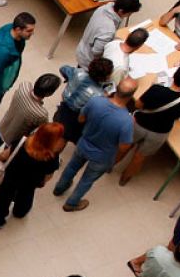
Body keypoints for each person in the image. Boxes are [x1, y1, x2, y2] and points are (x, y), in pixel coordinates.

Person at [52, 78, 138, 212]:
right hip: (102, 157)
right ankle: (72, 203)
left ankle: (59, 188)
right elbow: (124, 147)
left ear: (116, 89)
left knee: (72, 167)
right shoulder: (127, 121)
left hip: (84, 143)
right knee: (87, 180)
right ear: (131, 96)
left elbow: (81, 119)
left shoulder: (96, 101)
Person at [118, 64, 180, 185]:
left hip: (140, 124)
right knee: (139, 157)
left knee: (125, 146)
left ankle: (109, 166)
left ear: (174, 75)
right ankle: (125, 178)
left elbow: (138, 105)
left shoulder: (156, 89)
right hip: (159, 133)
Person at [0, 121, 65, 229]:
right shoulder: (52, 157)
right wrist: (42, 182)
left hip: (11, 178)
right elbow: (48, 176)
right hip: (30, 183)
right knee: (25, 198)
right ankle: (19, 213)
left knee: (3, 198)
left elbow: (3, 155)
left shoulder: (22, 142)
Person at [76, 0, 143, 67]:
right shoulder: (108, 29)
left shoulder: (103, 8)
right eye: (130, 13)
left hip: (83, 49)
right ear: (121, 11)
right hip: (89, 61)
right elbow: (97, 52)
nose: (129, 15)